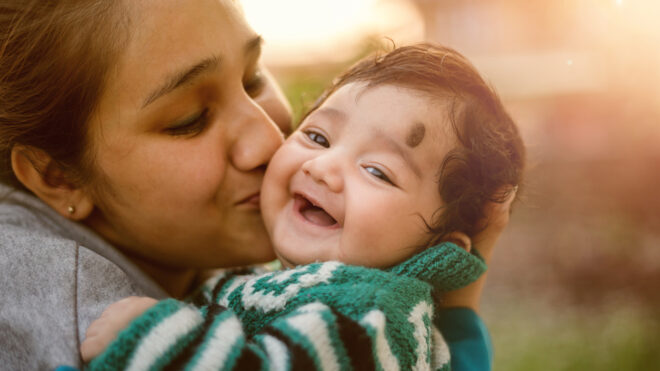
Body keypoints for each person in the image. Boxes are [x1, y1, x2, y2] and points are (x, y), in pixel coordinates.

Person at [0, 1, 511, 369]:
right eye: (190, 118)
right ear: (57, 176)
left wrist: (455, 310)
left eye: (253, 79)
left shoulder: (223, 255)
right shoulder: (51, 314)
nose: (270, 142)